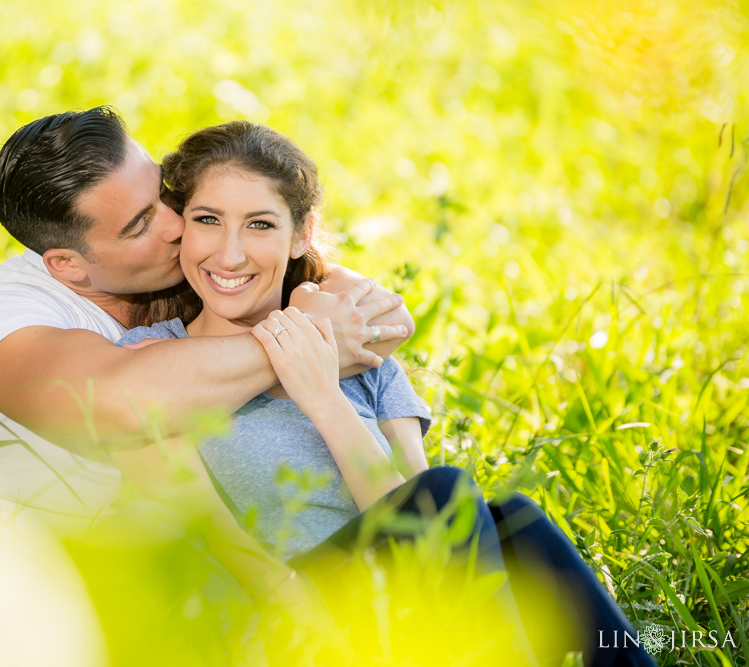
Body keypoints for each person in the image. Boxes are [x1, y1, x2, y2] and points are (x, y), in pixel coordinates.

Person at [115, 121, 657, 667]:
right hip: (273, 617)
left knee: (514, 519)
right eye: (208, 221)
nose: (229, 255)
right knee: (450, 495)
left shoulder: (362, 355)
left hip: (403, 605)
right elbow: (206, 532)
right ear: (180, 226)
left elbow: (416, 517)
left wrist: (324, 396)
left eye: (259, 224)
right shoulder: (152, 360)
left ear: (300, 234)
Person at [0, 105, 414, 529]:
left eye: (164, 195)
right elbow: (125, 403)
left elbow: (364, 302)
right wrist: (306, 343)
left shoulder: (181, 269)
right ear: (69, 264)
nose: (176, 224)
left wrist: (326, 297)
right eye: (141, 224)